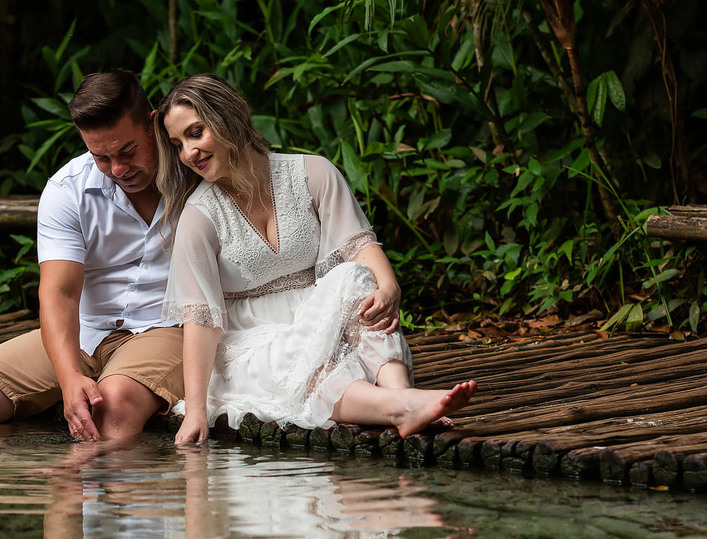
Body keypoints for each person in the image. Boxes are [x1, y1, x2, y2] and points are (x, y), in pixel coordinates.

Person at [153, 74, 476, 445]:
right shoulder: (198, 216)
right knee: (311, 371)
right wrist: (195, 410)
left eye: (196, 133)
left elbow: (359, 246)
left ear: (229, 118)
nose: (188, 153)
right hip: (249, 340)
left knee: (356, 276)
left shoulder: (313, 172)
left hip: (318, 313)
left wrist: (389, 288)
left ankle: (401, 394)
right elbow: (201, 321)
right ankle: (400, 408)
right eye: (178, 144)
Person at [0, 69, 184, 441]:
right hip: (87, 332)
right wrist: (69, 379)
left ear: (152, 125)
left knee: (112, 406)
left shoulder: (194, 172)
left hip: (164, 327)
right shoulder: (68, 190)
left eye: (127, 151)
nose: (118, 169)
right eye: (101, 156)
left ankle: (113, 493)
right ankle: (32, 492)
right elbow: (59, 293)